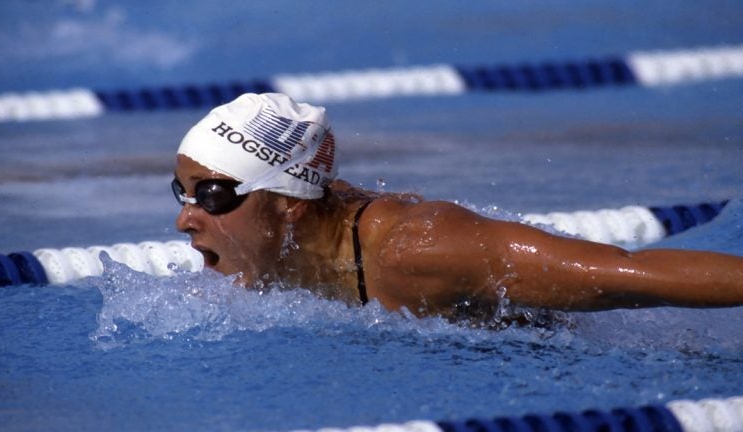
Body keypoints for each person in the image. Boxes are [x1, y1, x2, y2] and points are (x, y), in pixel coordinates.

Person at [172, 92, 743, 323]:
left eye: (213, 194)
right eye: (184, 191)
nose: (185, 218)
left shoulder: (422, 250)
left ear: (288, 206)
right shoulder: (270, 246)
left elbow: (631, 275)